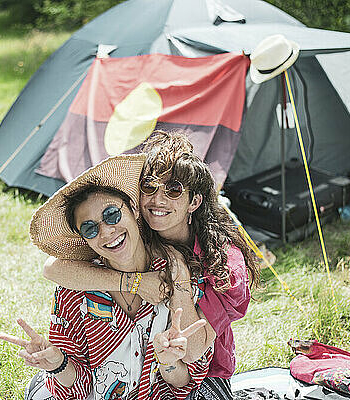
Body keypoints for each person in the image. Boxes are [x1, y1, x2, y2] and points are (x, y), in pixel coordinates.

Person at [43, 131, 260, 400]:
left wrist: (178, 273)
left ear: (194, 201)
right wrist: (133, 283)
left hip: (201, 373)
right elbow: (52, 269)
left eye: (173, 189)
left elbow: (191, 350)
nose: (158, 200)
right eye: (149, 186)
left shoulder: (224, 267)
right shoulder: (127, 228)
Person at [0, 154, 215, 400]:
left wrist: (168, 363)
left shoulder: (177, 274)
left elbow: (185, 383)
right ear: (84, 238)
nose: (106, 232)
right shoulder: (74, 290)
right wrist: (57, 364)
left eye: (112, 214)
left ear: (133, 210)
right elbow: (77, 388)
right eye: (90, 228)